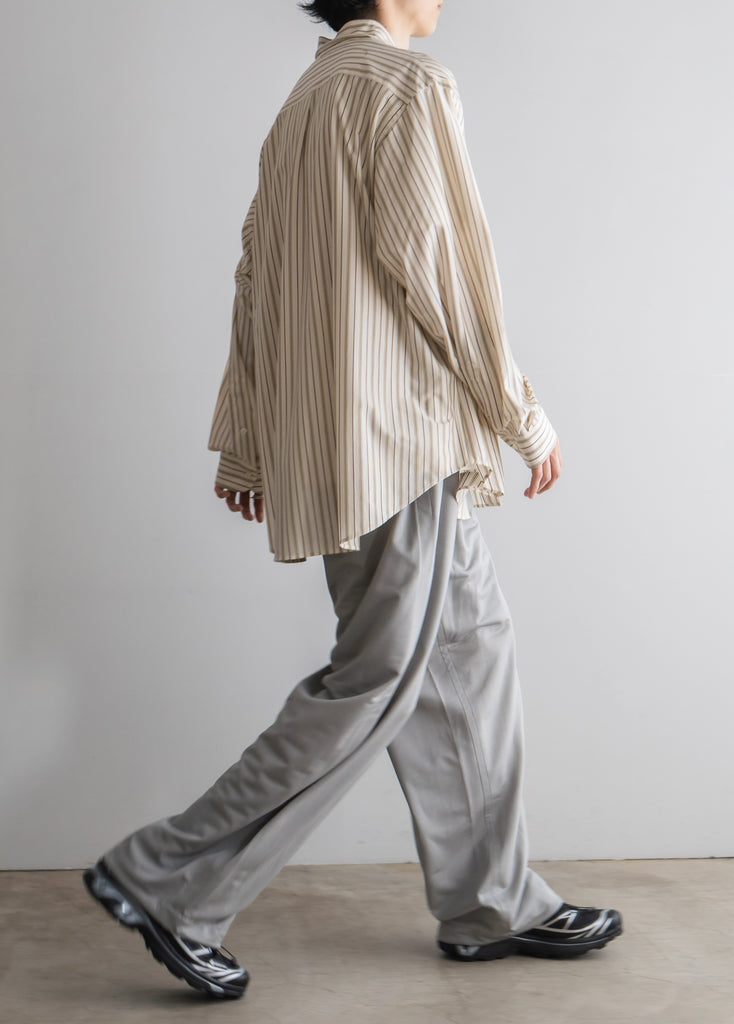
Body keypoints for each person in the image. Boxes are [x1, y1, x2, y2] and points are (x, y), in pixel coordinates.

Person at [83, 0, 622, 1001]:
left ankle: (492, 902)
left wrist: (249, 443)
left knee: (469, 656)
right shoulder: (406, 87)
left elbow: (256, 281)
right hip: (399, 440)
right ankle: (166, 878)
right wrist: (524, 416)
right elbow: (446, 273)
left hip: (354, 446)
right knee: (377, 681)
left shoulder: (305, 101)